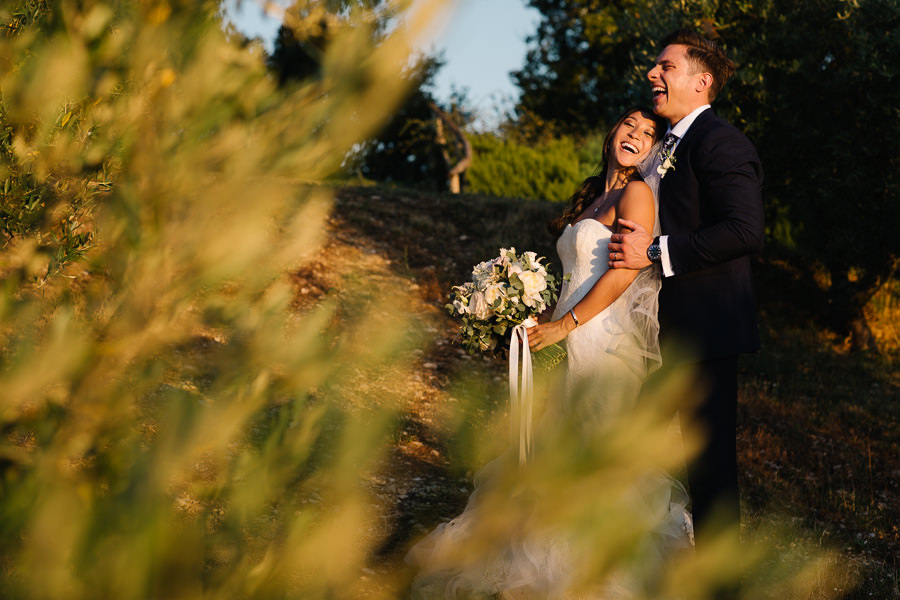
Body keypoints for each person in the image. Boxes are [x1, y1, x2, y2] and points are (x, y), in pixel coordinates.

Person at [405, 107, 693, 599]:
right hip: (563, 339)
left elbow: (625, 272)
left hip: (603, 346)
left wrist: (566, 324)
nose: (635, 135)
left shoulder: (638, 194)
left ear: (654, 150)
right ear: (612, 131)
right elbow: (574, 276)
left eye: (649, 134)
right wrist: (530, 316)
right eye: (629, 124)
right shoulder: (595, 195)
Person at [607, 29, 765, 568]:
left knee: (711, 470)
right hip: (664, 332)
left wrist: (654, 251)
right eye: (654, 67)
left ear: (701, 82)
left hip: (707, 328)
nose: (653, 74)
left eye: (665, 67)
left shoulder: (721, 141)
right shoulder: (669, 144)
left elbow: (745, 229)